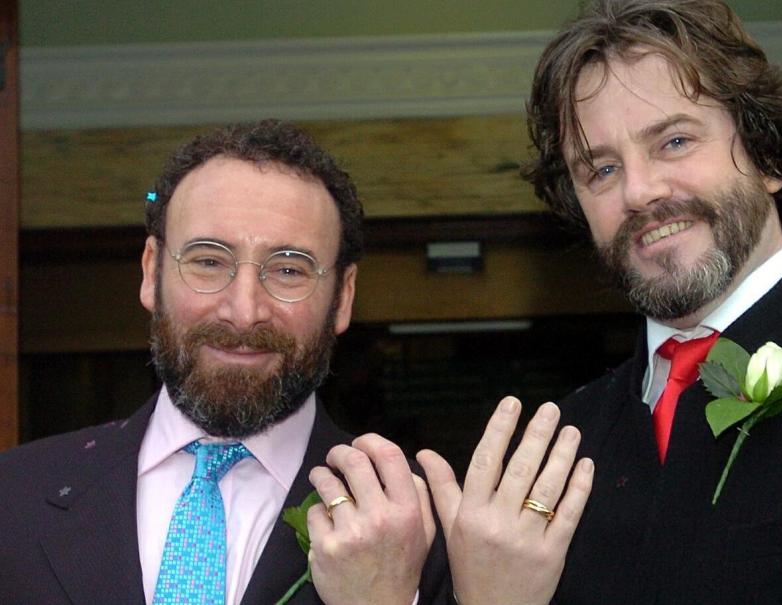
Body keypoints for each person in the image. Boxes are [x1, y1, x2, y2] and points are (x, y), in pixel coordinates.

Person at [417, 0, 782, 603]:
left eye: (674, 141)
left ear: (769, 156)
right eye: (600, 170)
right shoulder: (553, 454)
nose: (639, 191)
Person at [0, 120, 449, 605]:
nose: (243, 310)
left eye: (288, 269)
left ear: (343, 297)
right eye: (209, 261)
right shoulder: (13, 498)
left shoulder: (430, 529)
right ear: (151, 272)